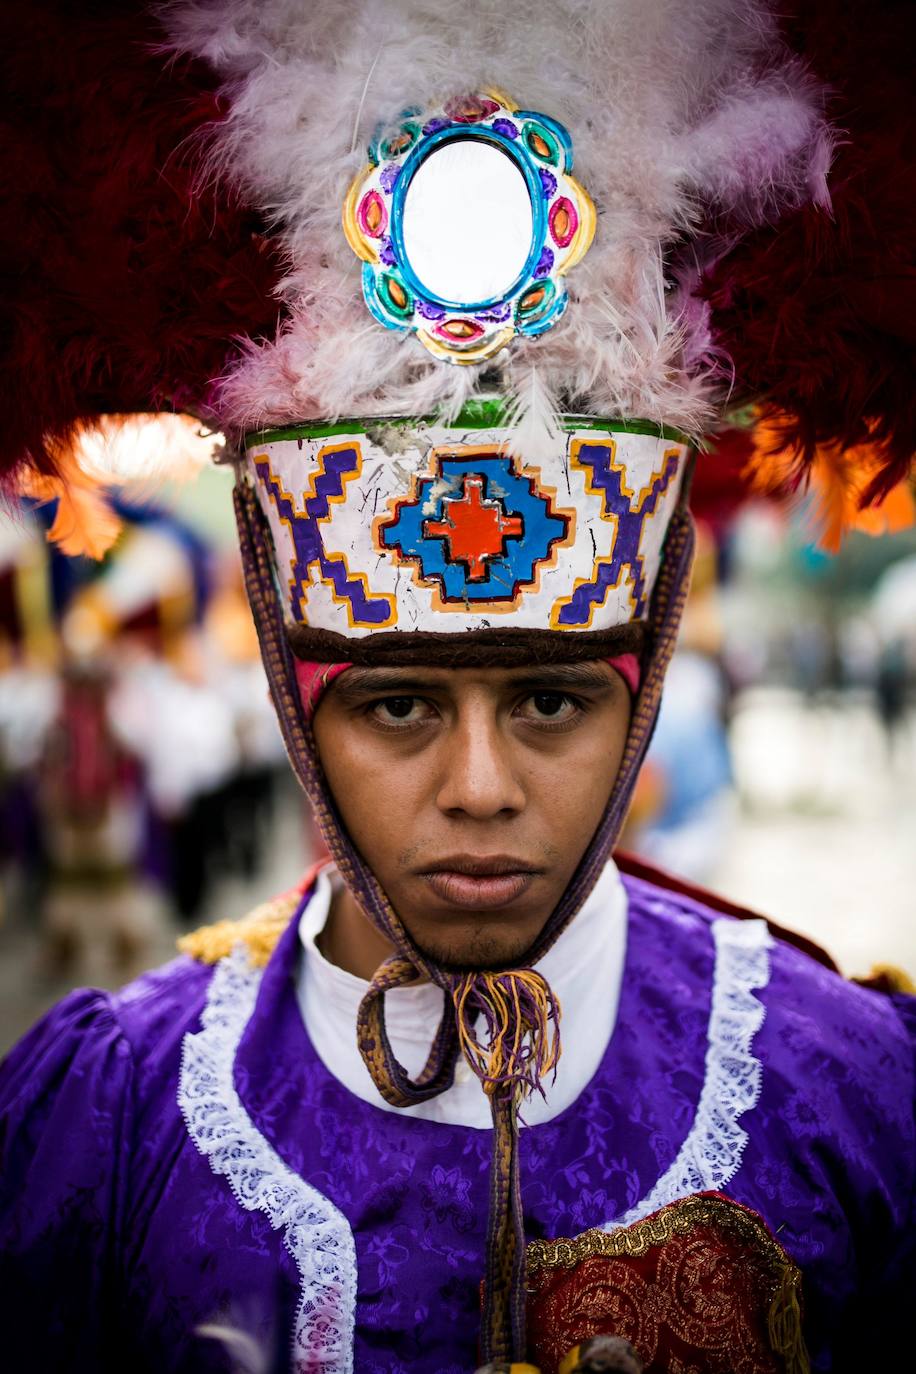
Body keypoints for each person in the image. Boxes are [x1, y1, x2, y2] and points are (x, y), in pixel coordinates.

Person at [1, 2, 914, 1371]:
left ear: (646, 672)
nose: (480, 790)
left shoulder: (852, 1094)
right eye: (398, 704)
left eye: (550, 699)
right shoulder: (109, 1122)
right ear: (294, 691)